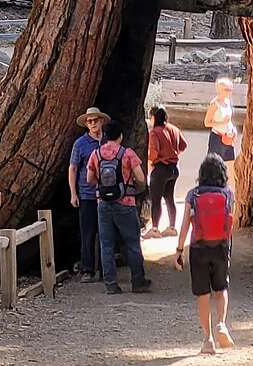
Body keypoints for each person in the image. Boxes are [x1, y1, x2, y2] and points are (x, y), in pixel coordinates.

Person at [176, 152, 235, 356]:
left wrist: (179, 249)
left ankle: (208, 339)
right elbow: (230, 223)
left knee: (202, 294)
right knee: (221, 288)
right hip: (221, 246)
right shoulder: (228, 193)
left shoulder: (193, 194)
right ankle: (221, 324)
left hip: (198, 247)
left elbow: (185, 224)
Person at [86, 119, 151, 295]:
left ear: (105, 136)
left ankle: (111, 284)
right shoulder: (127, 154)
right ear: (120, 136)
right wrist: (134, 190)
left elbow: (90, 180)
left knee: (106, 244)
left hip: (103, 205)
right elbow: (141, 179)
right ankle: (138, 281)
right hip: (126, 203)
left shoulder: (96, 154)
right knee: (132, 243)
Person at [68, 106, 109, 280]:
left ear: (101, 121)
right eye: (89, 121)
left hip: (107, 194)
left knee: (106, 233)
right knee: (88, 233)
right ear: (86, 124)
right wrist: (73, 193)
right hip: (86, 194)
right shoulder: (80, 144)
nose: (93, 123)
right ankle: (87, 270)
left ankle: (105, 269)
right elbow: (73, 168)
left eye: (95, 120)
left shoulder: (108, 141)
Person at [146, 104, 188, 239]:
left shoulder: (154, 132)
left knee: (156, 199)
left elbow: (154, 151)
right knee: (169, 198)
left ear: (153, 117)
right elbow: (184, 145)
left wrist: (151, 163)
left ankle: (155, 229)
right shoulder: (173, 129)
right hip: (174, 168)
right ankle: (172, 227)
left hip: (161, 168)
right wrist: (173, 154)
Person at [204, 77, 238, 189]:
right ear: (219, 90)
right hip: (217, 138)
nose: (229, 92)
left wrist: (233, 129)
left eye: (230, 89)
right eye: (226, 89)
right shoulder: (214, 104)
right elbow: (207, 122)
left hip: (228, 137)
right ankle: (212, 190)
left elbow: (229, 120)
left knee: (230, 166)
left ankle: (233, 194)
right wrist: (220, 122)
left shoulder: (228, 102)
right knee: (215, 165)